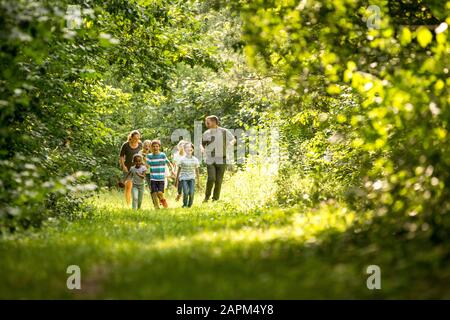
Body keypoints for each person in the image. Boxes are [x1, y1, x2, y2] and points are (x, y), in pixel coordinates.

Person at [200, 115, 236, 202]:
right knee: (211, 178)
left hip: (222, 159)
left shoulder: (224, 131)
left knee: (219, 181)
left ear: (214, 122)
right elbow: (202, 144)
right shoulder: (206, 133)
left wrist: (231, 143)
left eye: (207, 122)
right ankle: (206, 197)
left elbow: (233, 139)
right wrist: (202, 148)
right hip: (210, 159)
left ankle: (215, 199)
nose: (206, 123)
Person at [146, 139, 175, 209]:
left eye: (157, 146)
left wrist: (173, 170)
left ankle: (162, 200)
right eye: (153, 146)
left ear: (159, 147)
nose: (155, 148)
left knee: (160, 193)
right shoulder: (149, 156)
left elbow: (169, 163)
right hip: (153, 177)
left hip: (161, 178)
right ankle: (156, 206)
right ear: (151, 147)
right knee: (153, 192)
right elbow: (147, 165)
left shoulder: (162, 155)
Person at [119, 130, 142, 206]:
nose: (136, 140)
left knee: (136, 186)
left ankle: (135, 202)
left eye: (138, 138)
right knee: (128, 187)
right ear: (131, 137)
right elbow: (121, 156)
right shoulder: (125, 145)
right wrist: (123, 166)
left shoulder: (140, 145)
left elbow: (143, 155)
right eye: (135, 138)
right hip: (128, 168)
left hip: (138, 169)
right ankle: (128, 204)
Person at [176, 143, 200, 208]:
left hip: (192, 178)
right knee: (186, 192)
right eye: (186, 147)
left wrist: (198, 181)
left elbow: (197, 171)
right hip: (183, 178)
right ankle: (184, 204)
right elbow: (178, 170)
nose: (188, 149)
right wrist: (176, 180)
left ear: (192, 150)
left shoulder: (195, 160)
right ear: (184, 149)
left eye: (190, 148)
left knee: (191, 193)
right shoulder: (182, 159)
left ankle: (190, 205)